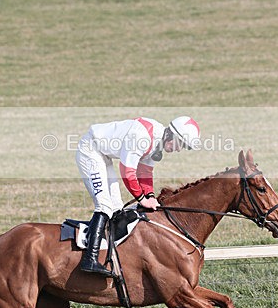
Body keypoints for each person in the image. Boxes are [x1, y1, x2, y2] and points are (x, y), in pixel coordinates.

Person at [75, 115, 201, 276]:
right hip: (90, 151)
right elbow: (127, 172)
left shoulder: (157, 142)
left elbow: (145, 172)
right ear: (172, 134)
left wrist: (150, 195)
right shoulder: (142, 137)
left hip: (103, 155)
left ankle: (110, 253)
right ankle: (89, 259)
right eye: (181, 144)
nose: (179, 149)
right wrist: (142, 199)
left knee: (116, 208)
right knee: (105, 205)